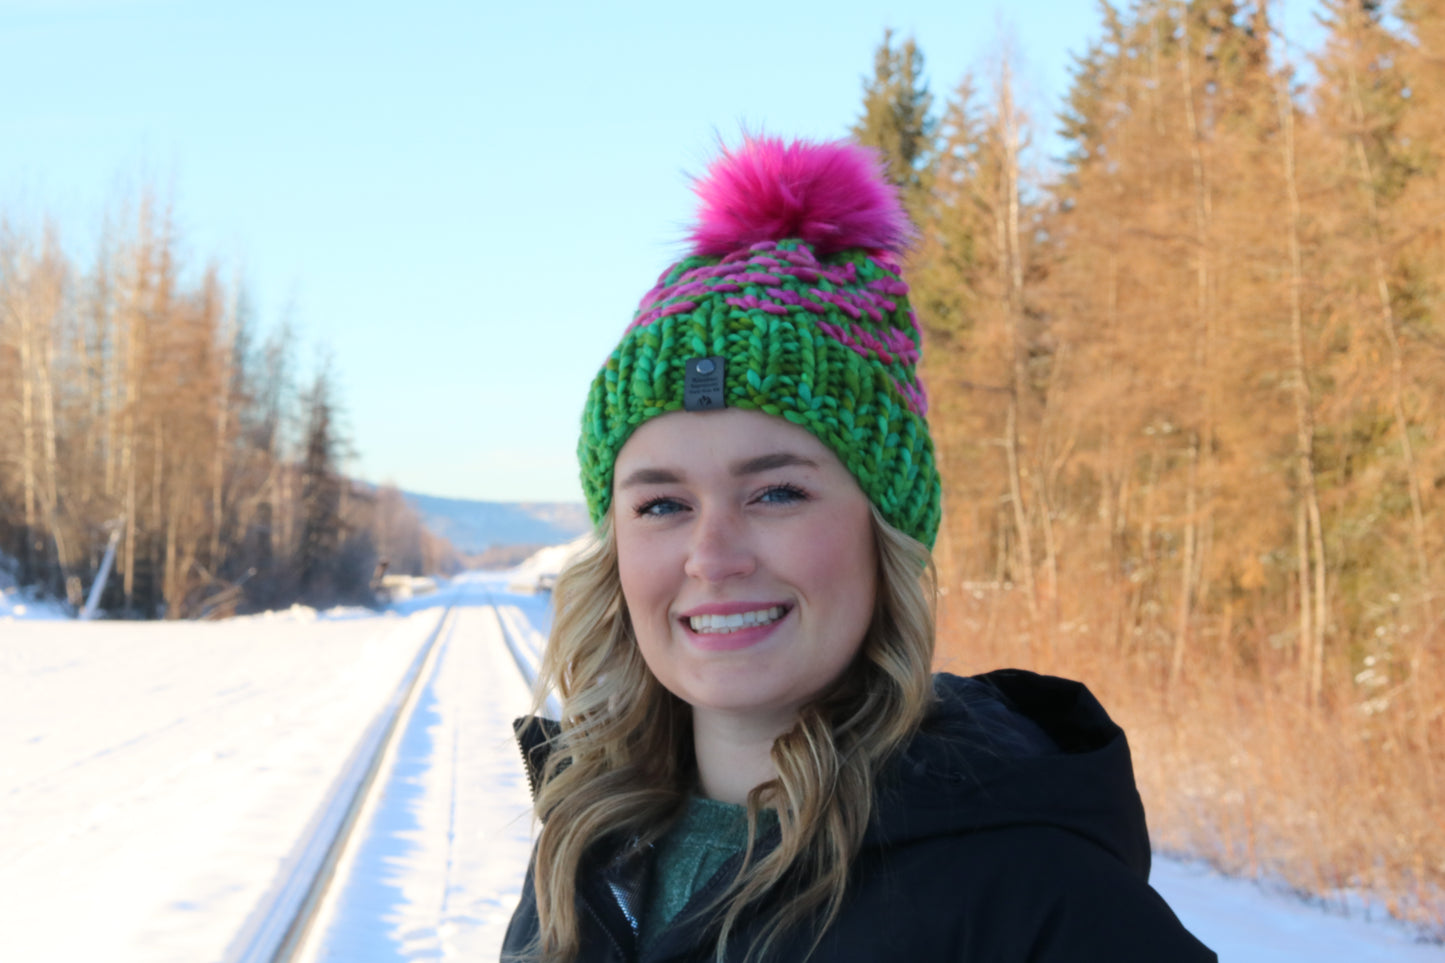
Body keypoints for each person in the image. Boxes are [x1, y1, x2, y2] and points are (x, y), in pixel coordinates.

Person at [502, 135, 1216, 963]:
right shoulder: (585, 849)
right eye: (662, 503)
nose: (712, 554)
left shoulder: (1037, 896)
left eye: (776, 492)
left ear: (885, 531)